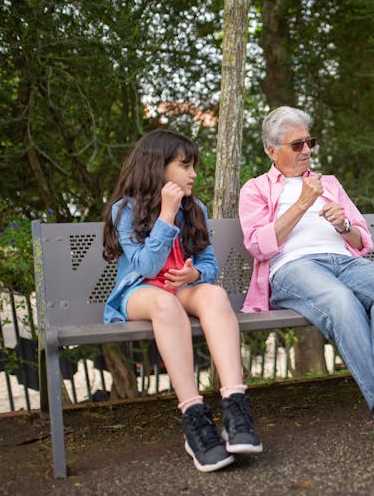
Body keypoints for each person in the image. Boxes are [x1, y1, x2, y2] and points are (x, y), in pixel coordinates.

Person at [238, 106, 374, 459]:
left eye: (310, 142)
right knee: (340, 301)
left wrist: (343, 226)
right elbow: (258, 246)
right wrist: (304, 201)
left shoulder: (331, 184)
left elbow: (361, 240)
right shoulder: (256, 189)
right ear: (271, 150)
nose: (307, 150)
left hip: (343, 259)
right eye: (297, 145)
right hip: (293, 268)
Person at [102, 129, 262, 472]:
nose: (193, 174)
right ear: (157, 167)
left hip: (181, 289)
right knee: (164, 303)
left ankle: (235, 406)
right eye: (184, 165)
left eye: (194, 166)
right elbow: (145, 266)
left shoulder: (195, 208)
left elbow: (210, 265)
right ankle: (193, 417)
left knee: (215, 295)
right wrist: (166, 215)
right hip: (140, 293)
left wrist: (195, 276)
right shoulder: (125, 210)